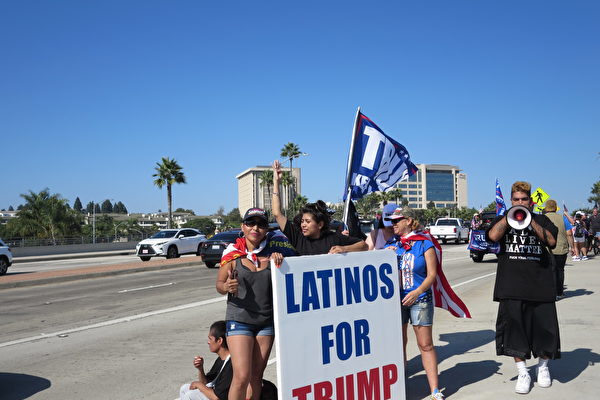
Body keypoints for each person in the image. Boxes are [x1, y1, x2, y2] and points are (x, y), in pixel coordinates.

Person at [486, 181, 559, 394]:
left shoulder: (541, 219)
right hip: (511, 286)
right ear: (511, 201)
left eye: (524, 200)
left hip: (540, 285)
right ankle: (523, 372)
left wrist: (530, 220)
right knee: (514, 331)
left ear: (531, 201)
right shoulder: (504, 219)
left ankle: (543, 367)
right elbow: (493, 236)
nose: (520, 202)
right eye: (516, 200)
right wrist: (510, 217)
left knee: (545, 330)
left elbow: (551, 241)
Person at [216, 208, 296, 400]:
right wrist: (226, 286)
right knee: (241, 377)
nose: (255, 228)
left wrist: (280, 263)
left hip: (265, 323)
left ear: (266, 229)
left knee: (256, 377)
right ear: (243, 227)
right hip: (239, 320)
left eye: (260, 224)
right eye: (251, 223)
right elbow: (219, 284)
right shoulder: (233, 255)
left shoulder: (275, 254)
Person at [383, 207, 445, 400]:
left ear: (409, 221)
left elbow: (432, 275)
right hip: (396, 300)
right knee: (399, 343)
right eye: (392, 221)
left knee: (425, 344)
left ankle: (434, 390)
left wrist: (417, 292)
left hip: (420, 299)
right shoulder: (391, 245)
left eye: (397, 220)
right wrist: (384, 255)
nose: (393, 224)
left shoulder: (424, 244)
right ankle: (400, 385)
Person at [271, 160, 368, 255]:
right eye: (302, 221)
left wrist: (344, 249)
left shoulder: (334, 238)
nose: (303, 225)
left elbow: (363, 245)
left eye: (307, 221)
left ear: (320, 224)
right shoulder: (298, 237)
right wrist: (276, 181)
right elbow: (277, 213)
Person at [179, 320, 232, 400]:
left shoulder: (230, 364)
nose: (208, 342)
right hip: (214, 393)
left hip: (218, 397)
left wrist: (199, 385)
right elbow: (206, 383)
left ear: (219, 341)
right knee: (184, 388)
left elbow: (217, 397)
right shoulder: (220, 359)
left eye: (210, 339)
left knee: (190, 395)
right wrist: (200, 369)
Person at [543, 199, 572, 299]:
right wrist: (572, 247)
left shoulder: (543, 218)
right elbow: (569, 233)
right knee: (560, 270)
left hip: (547, 249)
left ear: (546, 208)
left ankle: (552, 292)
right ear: (556, 207)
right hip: (561, 248)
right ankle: (560, 292)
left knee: (550, 270)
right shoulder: (563, 218)